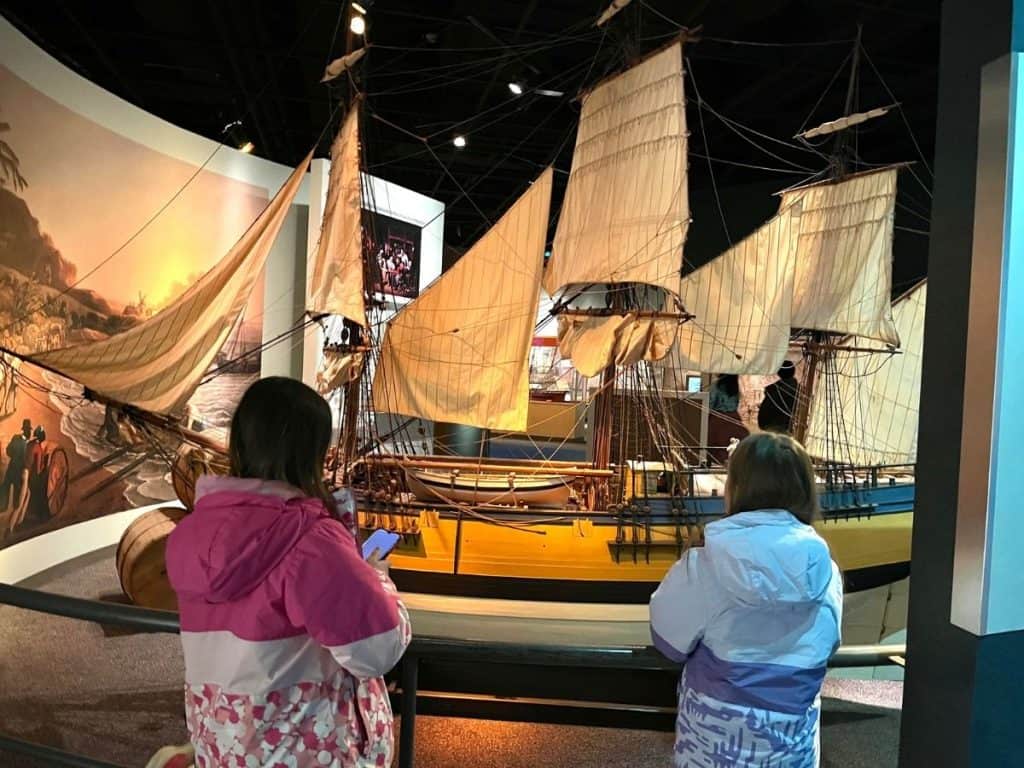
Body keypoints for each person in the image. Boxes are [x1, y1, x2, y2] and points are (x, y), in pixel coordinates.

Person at [166, 377, 411, 767]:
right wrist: (377, 576)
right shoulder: (311, 542)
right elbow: (375, 650)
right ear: (311, 452)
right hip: (303, 754)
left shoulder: (187, 534)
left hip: (225, 750)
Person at [650, 433, 842, 767]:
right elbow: (828, 644)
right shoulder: (826, 572)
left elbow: (667, 641)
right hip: (790, 751)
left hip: (712, 748)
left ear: (736, 486)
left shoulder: (705, 563)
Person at [706, 374, 748, 466]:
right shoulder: (736, 385)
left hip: (718, 419)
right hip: (734, 419)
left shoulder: (716, 385)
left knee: (713, 449)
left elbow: (710, 404)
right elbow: (737, 402)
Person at [758, 359, 800, 433]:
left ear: (779, 373)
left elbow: (764, 415)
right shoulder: (799, 391)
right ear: (793, 371)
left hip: (771, 428)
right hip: (786, 430)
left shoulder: (773, 390)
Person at [0, 419, 31, 515]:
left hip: (12, 466)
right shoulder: (27, 444)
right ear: (28, 432)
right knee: (18, 488)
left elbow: (8, 451)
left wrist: (13, 456)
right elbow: (27, 459)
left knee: (6, 485)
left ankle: (2, 506)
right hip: (19, 469)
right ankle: (15, 507)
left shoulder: (15, 438)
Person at [25, 425, 50, 523]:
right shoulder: (38, 448)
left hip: (25, 472)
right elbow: (39, 469)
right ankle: (41, 515)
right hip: (32, 477)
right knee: (43, 486)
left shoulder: (29, 443)